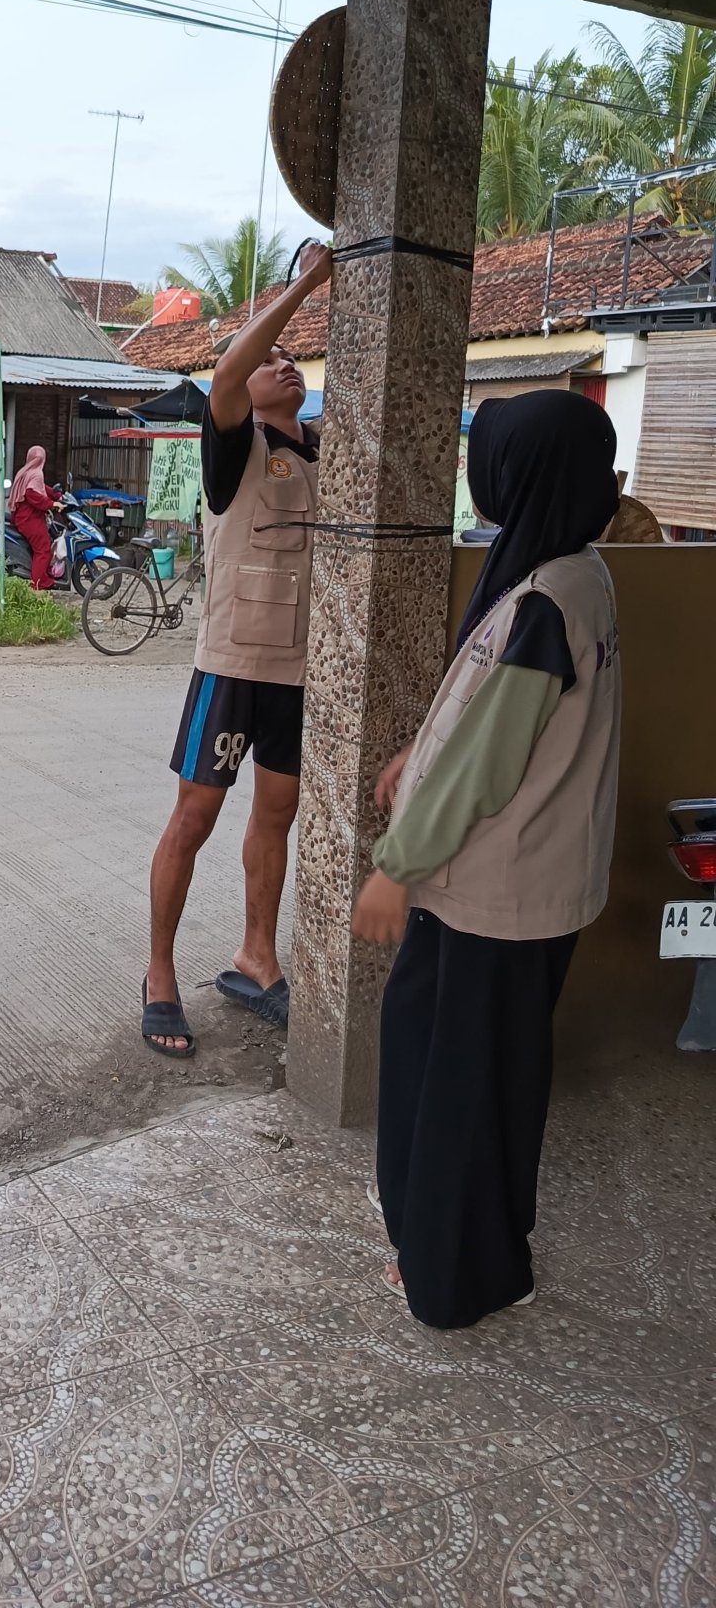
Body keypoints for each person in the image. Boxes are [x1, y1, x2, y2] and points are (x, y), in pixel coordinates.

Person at [353, 389, 622, 1329]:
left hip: (490, 894)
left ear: (525, 474)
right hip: (531, 886)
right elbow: (489, 722)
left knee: (454, 1082)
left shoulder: (546, 598)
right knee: (490, 1074)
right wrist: (411, 758)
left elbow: (486, 763)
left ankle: (452, 1275)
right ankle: (487, 1255)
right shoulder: (574, 570)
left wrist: (397, 866)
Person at [142, 242, 333, 1056]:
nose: (283, 366)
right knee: (196, 816)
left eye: (295, 361)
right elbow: (229, 374)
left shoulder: (327, 450)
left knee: (279, 812)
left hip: (301, 670)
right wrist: (303, 289)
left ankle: (257, 957)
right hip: (231, 666)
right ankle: (158, 975)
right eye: (272, 359)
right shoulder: (233, 442)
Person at [8, 445, 60, 590]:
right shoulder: (36, 474)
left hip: (22, 516)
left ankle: (42, 575)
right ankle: (38, 583)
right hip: (30, 519)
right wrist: (52, 503)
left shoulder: (26, 471)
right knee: (43, 550)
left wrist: (57, 495)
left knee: (41, 547)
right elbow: (34, 495)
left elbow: (41, 488)